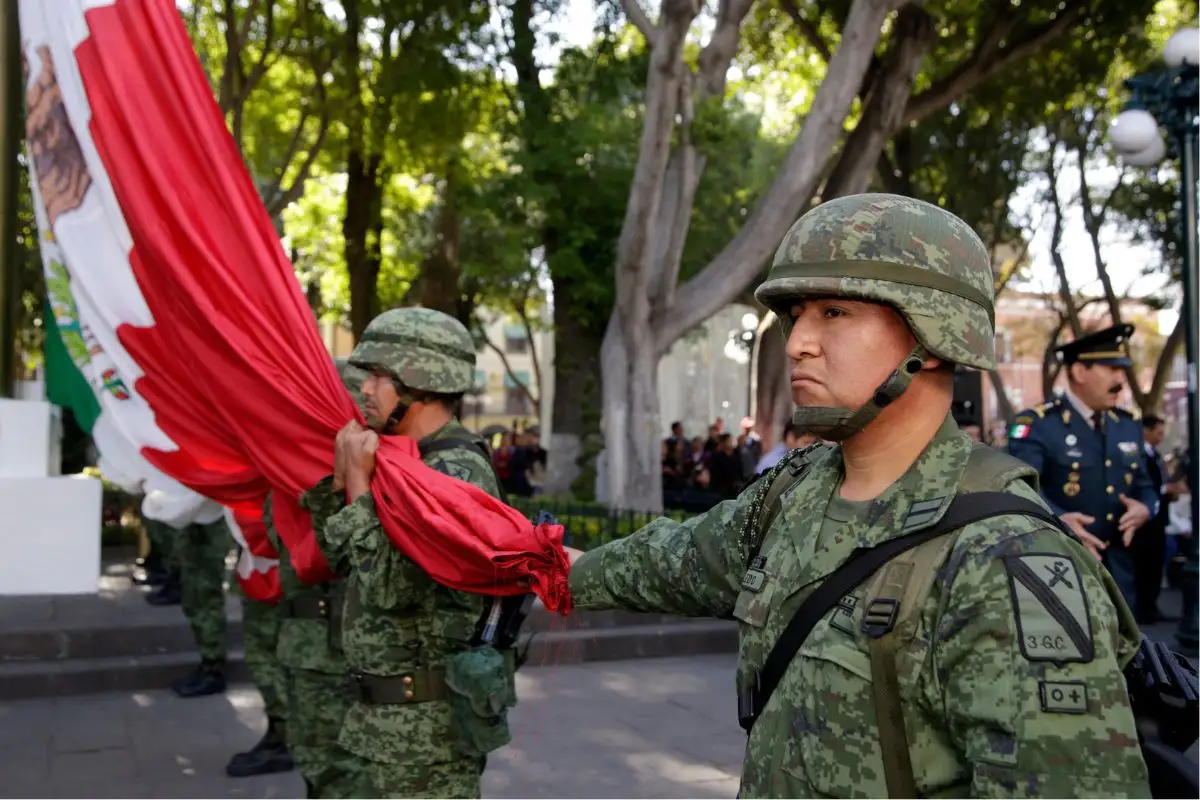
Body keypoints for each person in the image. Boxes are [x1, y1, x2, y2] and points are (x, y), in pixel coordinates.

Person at [564, 193, 1148, 797]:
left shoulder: (1002, 559)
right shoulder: (797, 490)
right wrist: (551, 565)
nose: (797, 343)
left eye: (835, 312)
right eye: (798, 315)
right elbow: (681, 561)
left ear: (934, 333)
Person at [299, 308, 517, 798]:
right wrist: (341, 483)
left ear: (421, 380)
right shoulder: (402, 458)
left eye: (380, 376)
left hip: (426, 731)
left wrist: (358, 483)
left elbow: (390, 589)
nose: (365, 389)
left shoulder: (454, 470)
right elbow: (340, 562)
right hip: (389, 721)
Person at [1007, 324, 1157, 608]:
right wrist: (1060, 519)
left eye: (1122, 370)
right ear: (1078, 372)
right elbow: (1019, 489)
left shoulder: (1126, 425)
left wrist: (1145, 508)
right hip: (1060, 568)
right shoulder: (1038, 424)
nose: (1120, 380)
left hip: (1120, 572)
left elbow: (1146, 486)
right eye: (1111, 370)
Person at [272, 358, 366, 798]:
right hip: (304, 644)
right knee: (315, 764)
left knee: (340, 774)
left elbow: (340, 553)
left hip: (342, 650)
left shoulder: (368, 476)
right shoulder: (296, 469)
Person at [1132, 414, 1177, 624]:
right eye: (1158, 433)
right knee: (1144, 566)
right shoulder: (1138, 454)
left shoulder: (1156, 455)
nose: (1161, 437)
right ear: (1146, 431)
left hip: (1159, 518)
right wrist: (1164, 489)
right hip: (1145, 523)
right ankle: (1142, 609)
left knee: (1156, 565)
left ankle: (1152, 605)